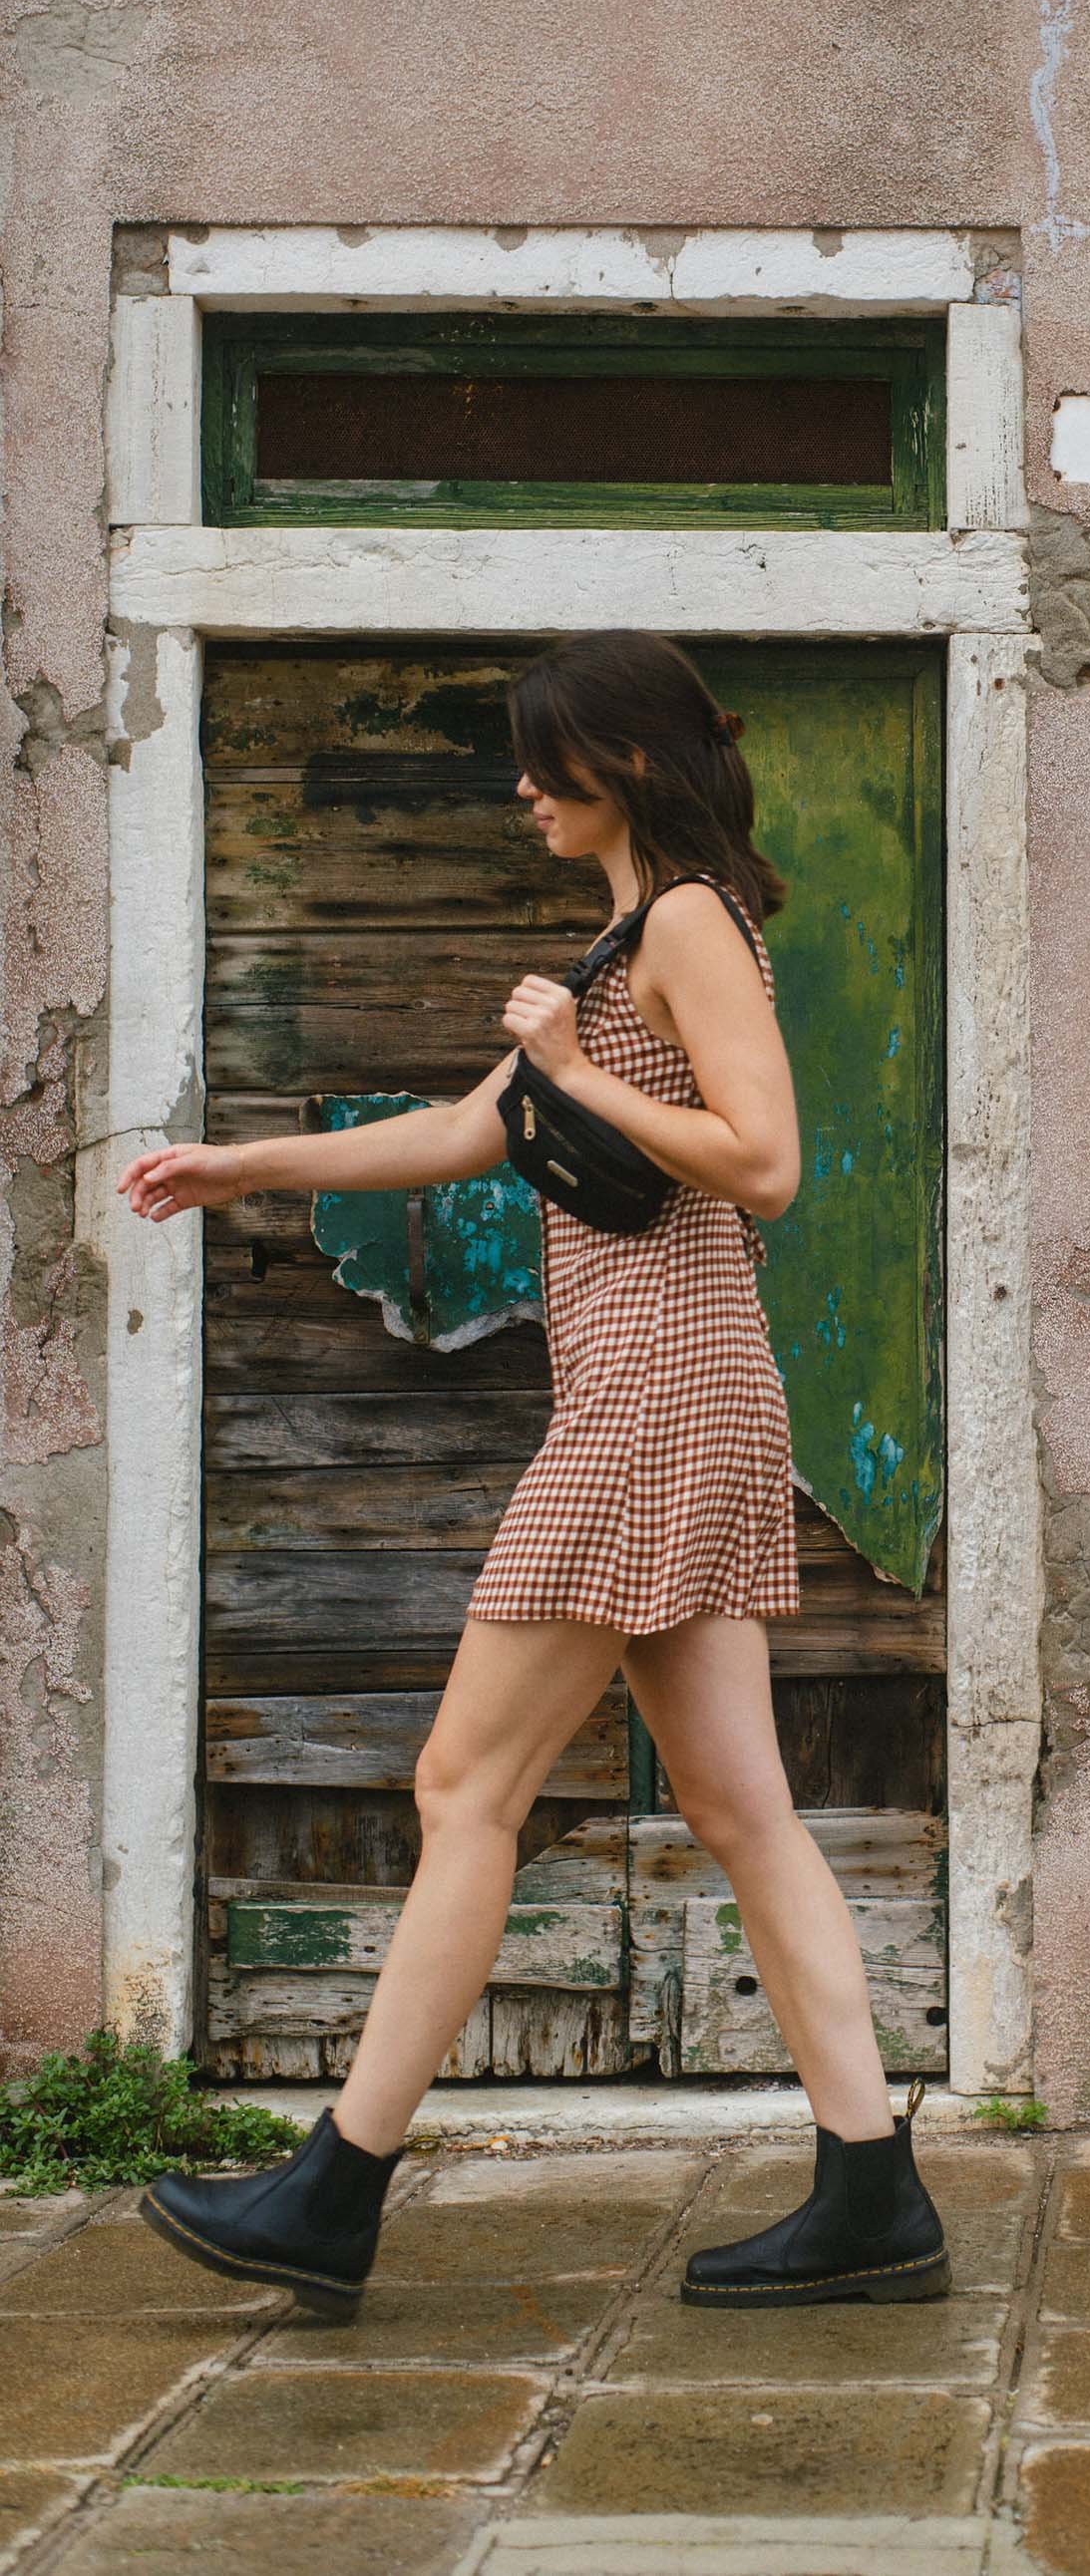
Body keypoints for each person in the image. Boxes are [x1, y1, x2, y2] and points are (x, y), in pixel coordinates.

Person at [115, 629, 948, 2322]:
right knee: (737, 1806)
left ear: (622, 765)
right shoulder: (627, 937)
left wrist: (573, 1067)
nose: (520, 793)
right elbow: (459, 1129)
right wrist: (240, 1167)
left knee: (461, 1789)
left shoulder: (695, 926)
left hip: (651, 1396)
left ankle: (333, 2194)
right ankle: (873, 2193)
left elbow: (769, 1164)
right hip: (676, 1391)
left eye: (541, 766)